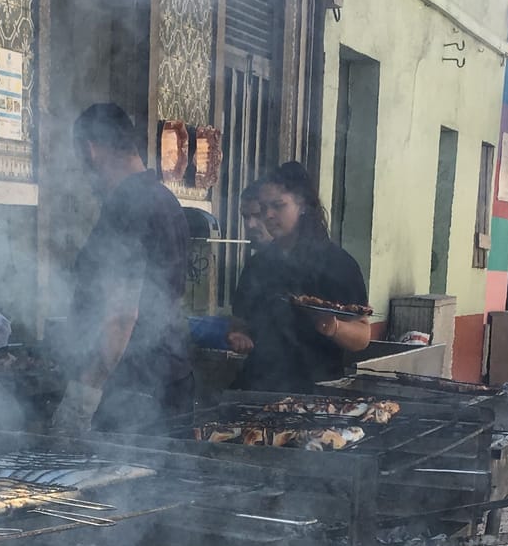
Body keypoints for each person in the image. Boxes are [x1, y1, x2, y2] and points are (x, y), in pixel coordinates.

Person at [52, 103, 194, 435]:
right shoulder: (165, 199)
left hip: (132, 390)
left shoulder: (126, 206)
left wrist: (83, 398)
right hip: (169, 379)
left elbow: (121, 315)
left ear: (91, 150)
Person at [227, 161, 372, 392]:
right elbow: (240, 321)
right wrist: (238, 335)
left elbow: (363, 336)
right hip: (258, 387)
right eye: (264, 208)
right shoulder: (258, 264)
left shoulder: (338, 264)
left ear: (302, 205)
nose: (269, 215)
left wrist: (334, 328)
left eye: (278, 206)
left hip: (315, 392)